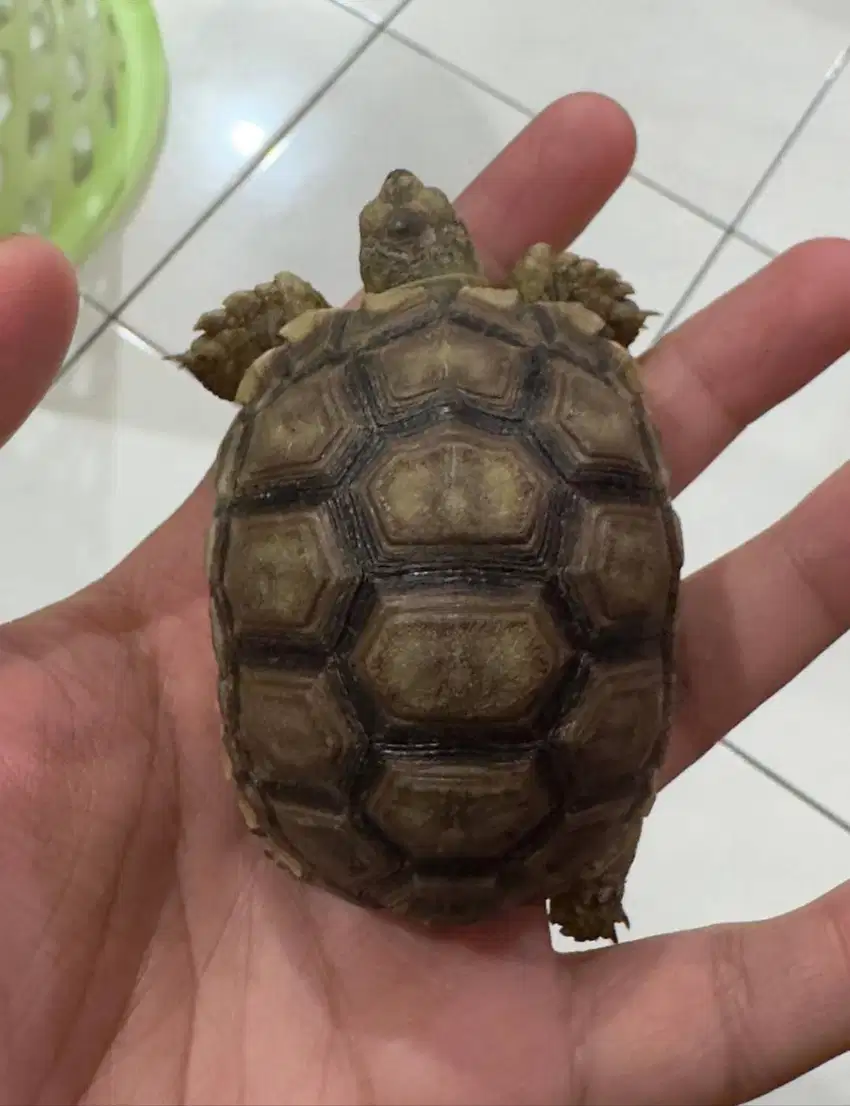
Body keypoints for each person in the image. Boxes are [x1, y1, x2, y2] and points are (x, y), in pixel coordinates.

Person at [1, 91, 848, 1106]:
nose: (399, 199)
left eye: (400, 216)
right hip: (548, 789)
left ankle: (584, 867)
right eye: (403, 213)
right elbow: (609, 322)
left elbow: (237, 365)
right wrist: (583, 306)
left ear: (377, 265)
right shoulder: (550, 312)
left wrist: (244, 346)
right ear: (452, 245)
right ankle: (585, 865)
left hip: (331, 812)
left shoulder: (294, 343)